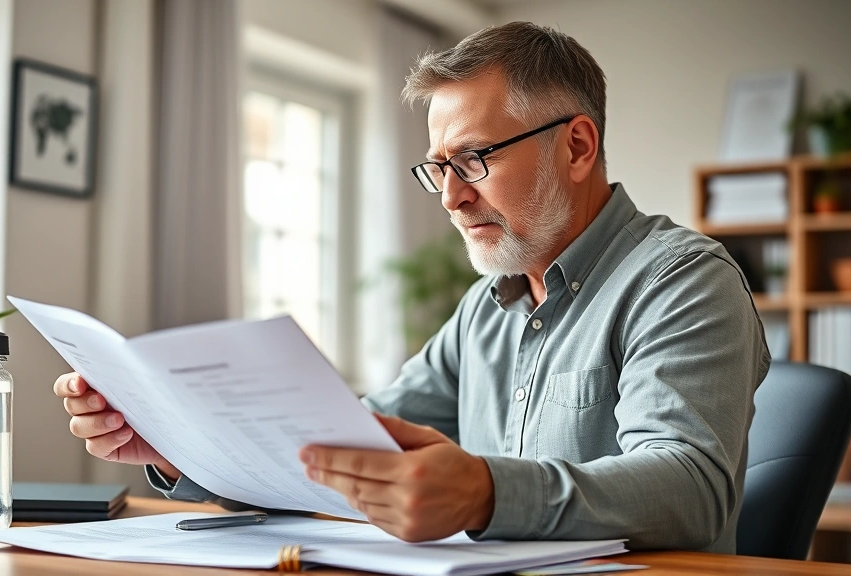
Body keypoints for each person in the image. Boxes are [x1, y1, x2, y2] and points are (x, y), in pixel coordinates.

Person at [53, 22, 768, 552]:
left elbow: (688, 488)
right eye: (438, 168)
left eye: (475, 159)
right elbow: (342, 449)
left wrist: (486, 493)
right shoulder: (485, 310)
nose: (451, 198)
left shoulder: (682, 281)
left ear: (577, 146)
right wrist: (182, 447)